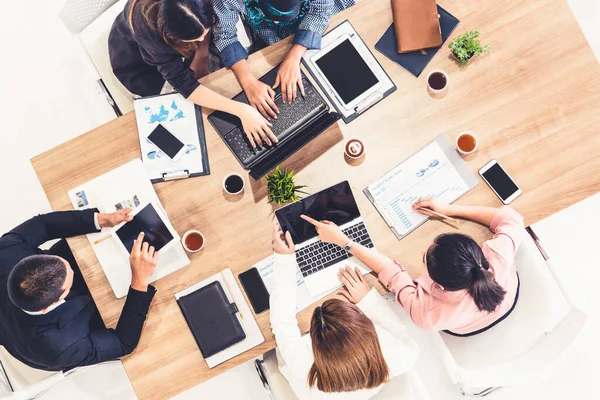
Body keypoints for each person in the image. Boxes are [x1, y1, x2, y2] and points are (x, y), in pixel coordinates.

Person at [300, 198, 524, 336]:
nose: (421, 253)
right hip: (509, 297)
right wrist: (449, 209)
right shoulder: (498, 255)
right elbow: (511, 218)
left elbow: (391, 272)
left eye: (425, 258)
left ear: (439, 286)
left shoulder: (426, 314)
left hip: (466, 328)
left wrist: (344, 242)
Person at [270, 223, 419, 398]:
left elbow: (282, 321)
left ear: (315, 345)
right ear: (367, 329)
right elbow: (397, 330)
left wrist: (284, 259)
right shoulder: (403, 355)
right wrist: (366, 299)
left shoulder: (304, 367)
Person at [0, 208, 158, 371]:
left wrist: (102, 220)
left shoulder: (6, 252)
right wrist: (139, 282)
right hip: (82, 322)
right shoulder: (59, 347)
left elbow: (44, 224)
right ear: (54, 304)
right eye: (70, 278)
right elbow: (123, 343)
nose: (73, 271)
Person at [109, 0, 277, 148]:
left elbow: (203, 29)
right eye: (196, 38)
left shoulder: (197, 16)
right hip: (138, 62)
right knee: (176, 111)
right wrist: (241, 110)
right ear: (171, 35)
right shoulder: (146, 26)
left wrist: (202, 55)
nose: (203, 37)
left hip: (184, 30)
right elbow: (182, 82)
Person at [213, 0, 353, 117]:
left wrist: (294, 55)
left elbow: (320, 11)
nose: (274, 21)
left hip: (317, 25)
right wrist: (248, 82)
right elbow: (224, 35)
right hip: (270, 39)